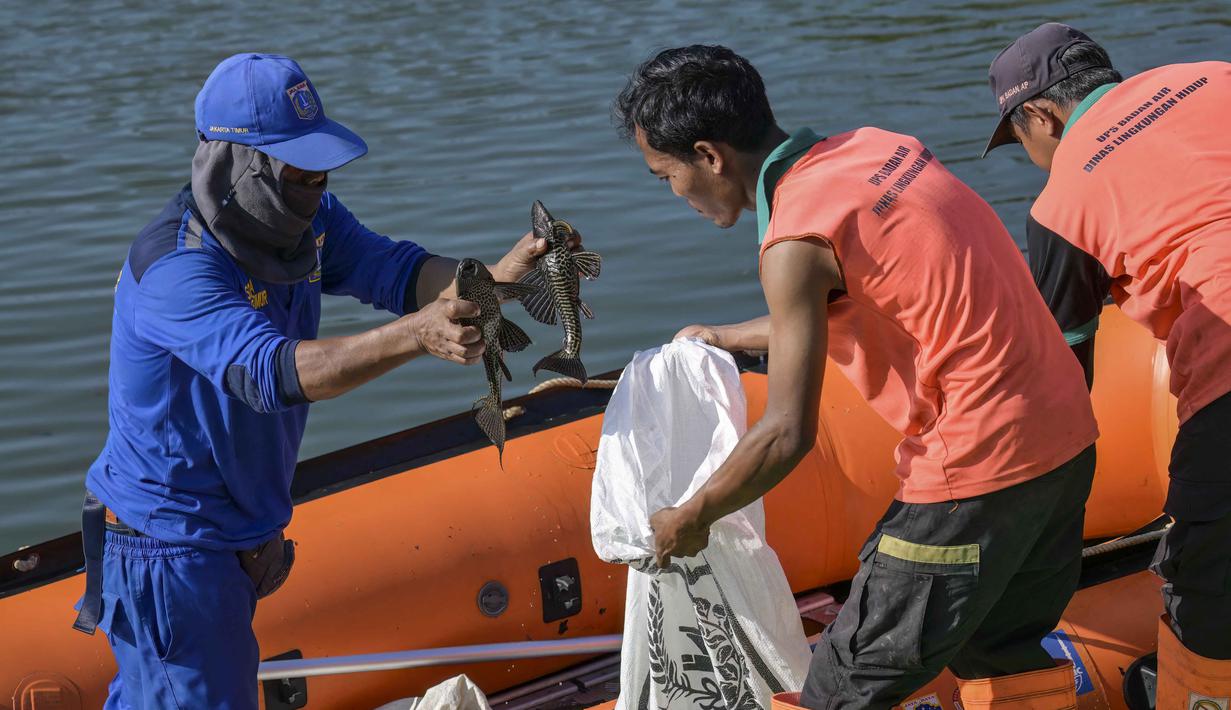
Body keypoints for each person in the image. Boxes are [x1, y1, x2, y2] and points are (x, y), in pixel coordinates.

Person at [71, 53, 577, 709]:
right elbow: (273, 372)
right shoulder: (176, 270)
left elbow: (400, 272)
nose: (317, 183)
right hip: (167, 549)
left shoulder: (307, 223)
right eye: (298, 170)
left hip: (229, 533)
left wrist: (501, 278)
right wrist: (416, 335)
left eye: (320, 169)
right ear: (238, 168)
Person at [614, 45, 1098, 709]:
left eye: (663, 174)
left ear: (708, 156)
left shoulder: (792, 242)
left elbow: (786, 432)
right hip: (1066, 436)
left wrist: (690, 516)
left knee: (842, 687)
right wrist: (726, 335)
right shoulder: (876, 149)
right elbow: (876, 293)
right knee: (1002, 647)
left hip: (977, 463)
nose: (675, 194)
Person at [982, 22, 1231, 708]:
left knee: (1205, 590)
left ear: (1040, 114)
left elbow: (1060, 391)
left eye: (1022, 142)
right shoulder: (1213, 77)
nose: (1030, 158)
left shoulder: (1062, 202)